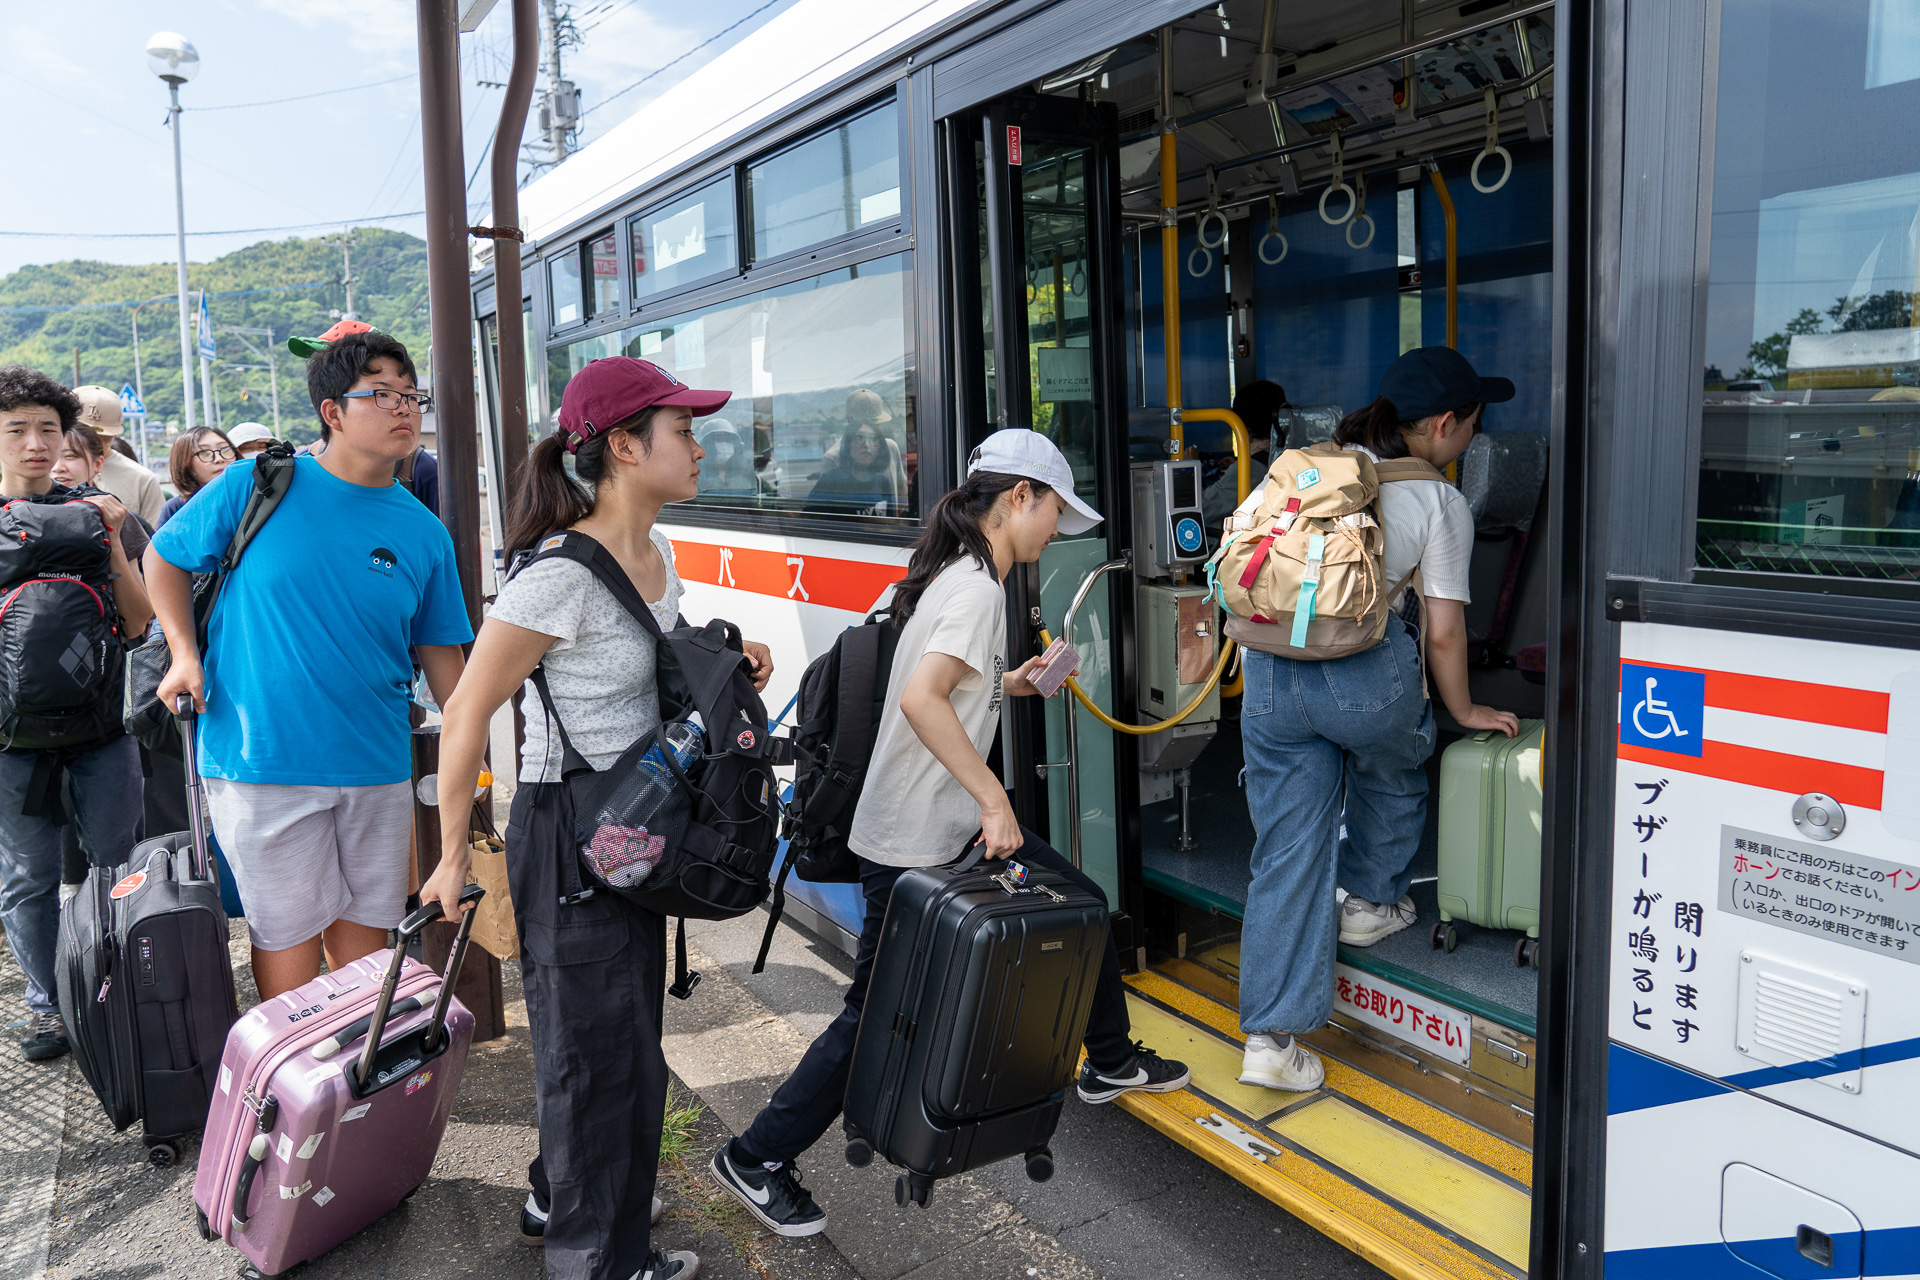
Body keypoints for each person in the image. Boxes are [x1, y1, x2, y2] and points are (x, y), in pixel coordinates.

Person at [709, 429, 1190, 1238]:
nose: (1054, 532)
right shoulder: (976, 590)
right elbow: (921, 699)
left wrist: (1012, 684)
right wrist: (996, 802)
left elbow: (943, 684)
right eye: (1054, 512)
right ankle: (755, 1157)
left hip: (931, 830)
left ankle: (1109, 1060)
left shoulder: (958, 573)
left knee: (1081, 901)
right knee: (871, 1017)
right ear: (1019, 498)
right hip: (916, 842)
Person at [420, 356, 772, 1280]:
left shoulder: (656, 555)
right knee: (596, 1055)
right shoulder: (560, 575)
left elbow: (648, 674)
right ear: (624, 447)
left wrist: (730, 661)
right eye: (682, 431)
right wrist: (452, 855)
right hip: (568, 830)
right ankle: (600, 1261)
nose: (698, 447)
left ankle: (564, 1194)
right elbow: (466, 712)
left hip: (633, 824)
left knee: (614, 1037)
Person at [145, 327, 471, 1001]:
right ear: (332, 411)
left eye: (411, 395)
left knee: (367, 941)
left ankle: (349, 1063)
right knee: (286, 937)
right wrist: (183, 654)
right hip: (261, 756)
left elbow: (449, 668)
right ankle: (286, 1068)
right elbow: (164, 558)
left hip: (376, 762)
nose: (404, 408)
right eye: (381, 393)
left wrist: (474, 758)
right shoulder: (256, 485)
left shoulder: (423, 531)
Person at [1231, 347, 1522, 1093]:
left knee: (1286, 848)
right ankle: (1367, 900)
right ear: (1446, 424)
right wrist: (1462, 711)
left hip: (1270, 671)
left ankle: (1269, 1040)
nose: (1474, 438)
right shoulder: (1440, 502)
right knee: (1399, 757)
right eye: (1475, 424)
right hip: (1359, 675)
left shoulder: (1309, 468)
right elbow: (1444, 633)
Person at [0, 367, 154, 1061]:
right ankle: (47, 1006)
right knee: (27, 878)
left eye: (48, 429)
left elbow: (139, 622)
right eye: (17, 430)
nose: (36, 444)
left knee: (118, 866)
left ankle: (117, 990)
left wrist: (113, 539)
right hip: (11, 739)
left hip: (100, 729)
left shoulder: (98, 512)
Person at [73, 385, 165, 527]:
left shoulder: (141, 479)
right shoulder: (47, 469)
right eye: (83, 435)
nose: (91, 442)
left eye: (102, 438)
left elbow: (153, 534)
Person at [805, 413, 907, 515]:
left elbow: (890, 520)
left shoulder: (882, 481)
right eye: (859, 437)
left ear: (879, 448)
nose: (867, 445)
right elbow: (808, 517)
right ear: (848, 443)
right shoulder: (830, 480)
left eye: (874, 439)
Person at [156, 426, 235, 528]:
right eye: (204, 452)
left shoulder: (250, 498)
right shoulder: (176, 509)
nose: (219, 459)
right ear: (185, 462)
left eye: (225, 449)